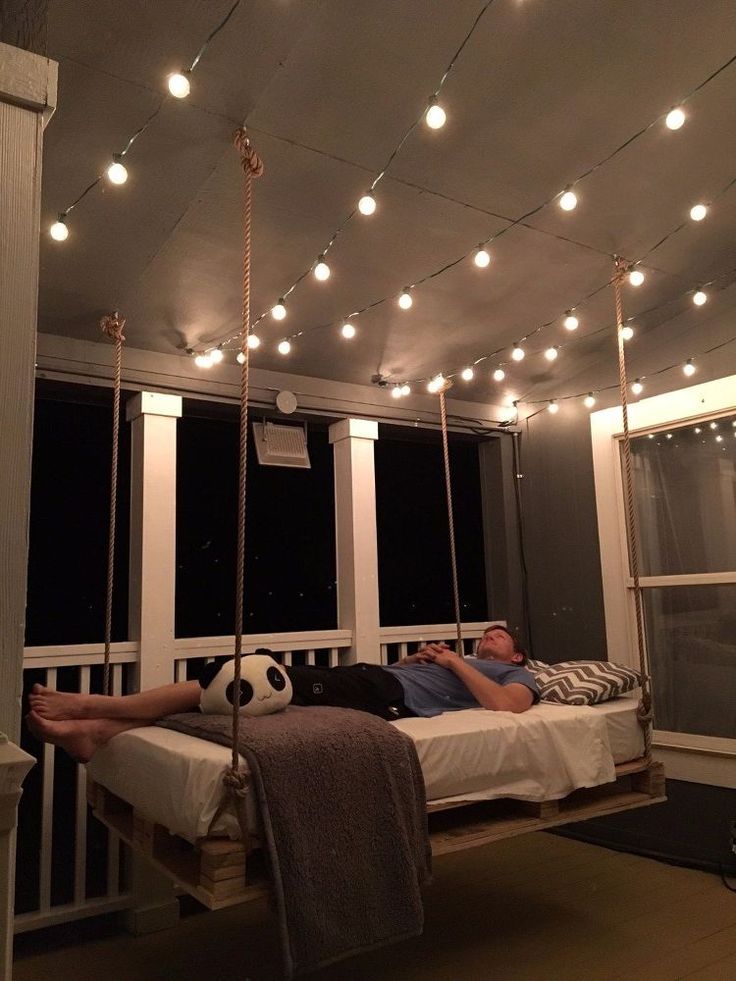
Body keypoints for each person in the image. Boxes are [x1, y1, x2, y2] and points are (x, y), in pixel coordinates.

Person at [26, 624, 538, 763]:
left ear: (516, 656)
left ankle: (96, 707)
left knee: (239, 679)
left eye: (498, 636)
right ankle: (101, 731)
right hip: (375, 679)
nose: (488, 636)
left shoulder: (518, 678)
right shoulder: (466, 663)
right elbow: (420, 679)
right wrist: (415, 661)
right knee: (236, 694)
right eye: (484, 634)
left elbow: (505, 709)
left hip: (382, 694)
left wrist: (452, 662)